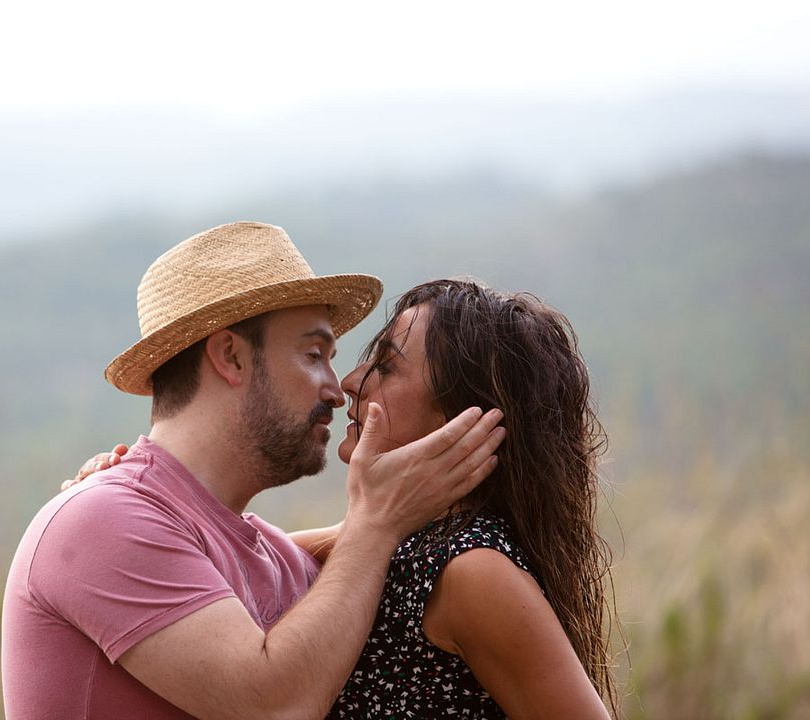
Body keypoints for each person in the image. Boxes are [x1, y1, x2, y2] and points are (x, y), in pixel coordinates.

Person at [1, 222, 505, 720]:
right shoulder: (101, 519)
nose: (337, 390)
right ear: (231, 358)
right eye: (314, 355)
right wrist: (376, 521)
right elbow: (274, 707)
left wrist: (398, 512)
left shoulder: (278, 557)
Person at [76, 279, 620, 718]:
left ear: (461, 415)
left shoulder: (473, 570)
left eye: (386, 365)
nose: (351, 382)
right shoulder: (392, 542)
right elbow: (238, 561)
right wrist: (127, 501)